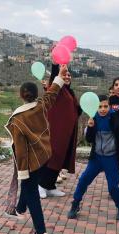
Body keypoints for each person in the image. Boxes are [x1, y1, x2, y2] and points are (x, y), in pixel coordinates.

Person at [5, 64, 67, 234]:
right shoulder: (41, 105)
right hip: (44, 155)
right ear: (35, 94)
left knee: (31, 192)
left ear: (20, 95)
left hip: (31, 162)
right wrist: (60, 77)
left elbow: (21, 150)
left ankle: (41, 233)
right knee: (29, 187)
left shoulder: (18, 119)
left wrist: (22, 172)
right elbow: (52, 93)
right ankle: (20, 209)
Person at [67, 95, 119, 220]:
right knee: (83, 180)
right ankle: (75, 204)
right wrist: (90, 127)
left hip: (111, 158)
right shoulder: (93, 118)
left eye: (106, 106)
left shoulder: (114, 118)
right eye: (100, 107)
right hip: (96, 158)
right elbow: (89, 139)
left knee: (112, 187)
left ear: (110, 106)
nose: (103, 109)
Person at [38, 63, 81, 198]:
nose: (67, 76)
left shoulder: (69, 92)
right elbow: (54, 78)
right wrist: (56, 65)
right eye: (65, 74)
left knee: (61, 158)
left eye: (69, 75)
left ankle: (50, 186)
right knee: (52, 157)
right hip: (55, 131)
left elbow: (76, 111)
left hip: (67, 133)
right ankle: (40, 185)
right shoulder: (57, 89)